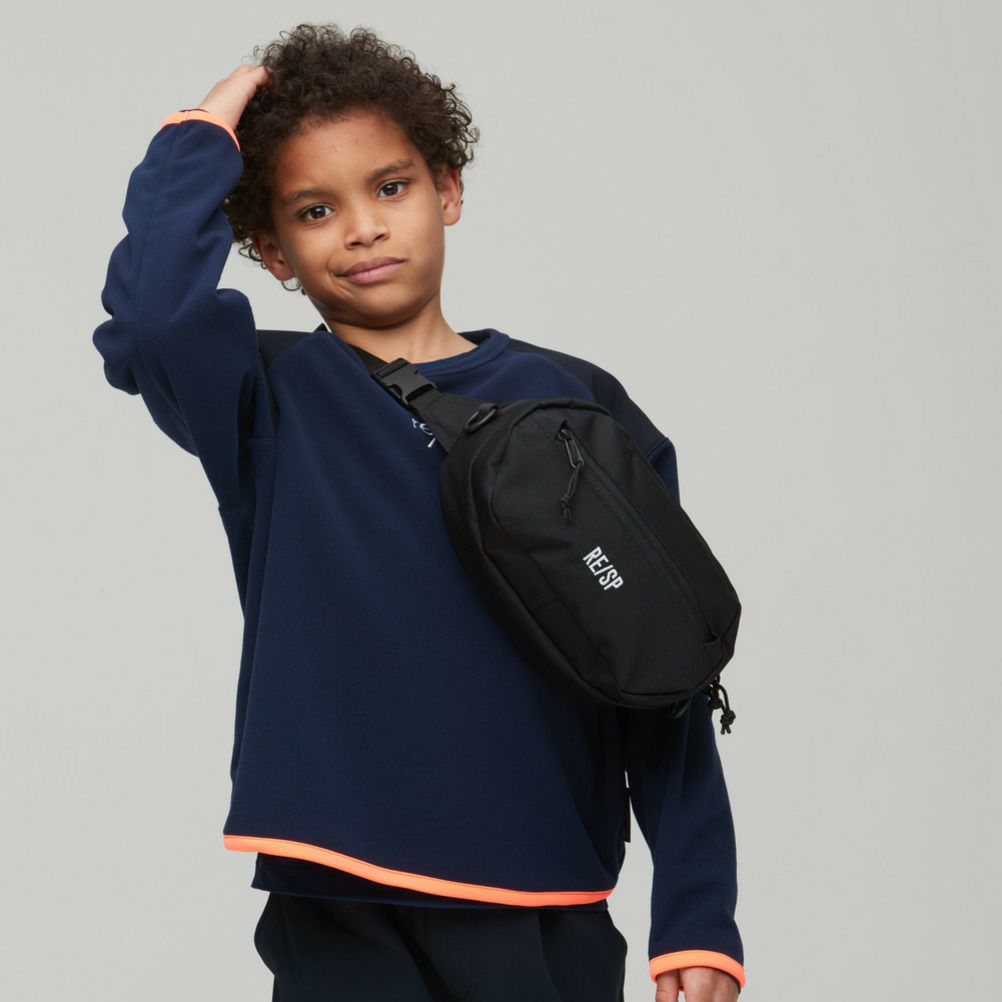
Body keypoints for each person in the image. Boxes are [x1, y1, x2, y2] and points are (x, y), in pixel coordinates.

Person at [92, 22, 745, 1002]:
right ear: (270, 249)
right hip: (337, 897)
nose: (361, 228)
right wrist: (200, 137)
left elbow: (659, 669)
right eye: (315, 210)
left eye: (390, 188)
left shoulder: (582, 407)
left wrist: (697, 912)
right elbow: (149, 322)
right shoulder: (265, 404)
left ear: (448, 189)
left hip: (540, 890)